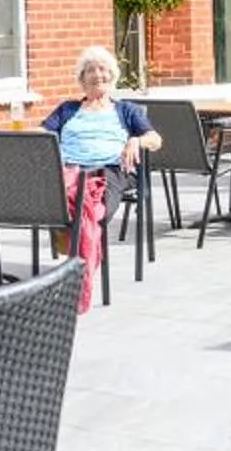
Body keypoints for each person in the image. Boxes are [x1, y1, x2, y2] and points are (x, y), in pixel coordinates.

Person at [38, 45, 158, 311]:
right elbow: (42, 135)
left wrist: (137, 141)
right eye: (90, 70)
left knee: (90, 212)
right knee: (81, 211)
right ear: (82, 79)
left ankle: (76, 276)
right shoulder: (68, 109)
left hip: (109, 171)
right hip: (70, 171)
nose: (97, 75)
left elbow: (156, 139)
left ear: (112, 76)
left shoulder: (126, 110)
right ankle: (80, 270)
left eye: (103, 69)